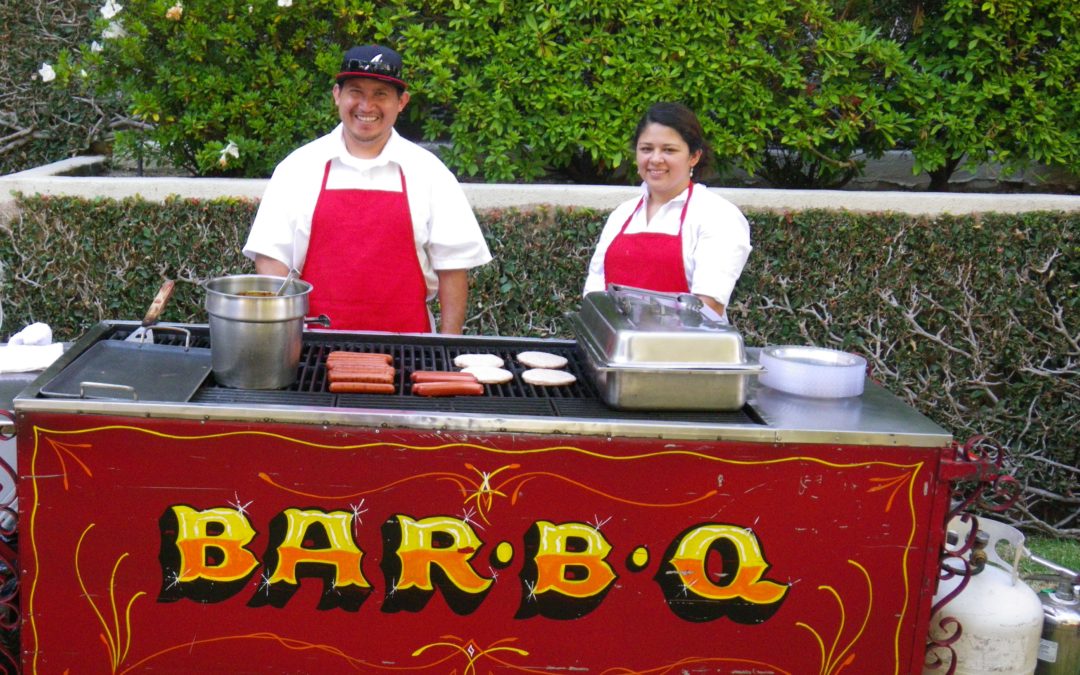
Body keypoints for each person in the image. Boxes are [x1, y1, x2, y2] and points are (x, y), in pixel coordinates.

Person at [243, 45, 492, 334]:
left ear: (402, 102)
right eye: (356, 92)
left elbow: (453, 268)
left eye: (380, 95)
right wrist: (287, 339)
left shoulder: (430, 172)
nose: (366, 106)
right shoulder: (298, 168)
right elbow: (271, 260)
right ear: (337, 95)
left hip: (410, 347)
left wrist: (447, 351)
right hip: (312, 347)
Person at [583, 102, 751, 321]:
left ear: (694, 156)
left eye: (669, 150)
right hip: (619, 349)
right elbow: (595, 291)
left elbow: (708, 307)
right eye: (646, 149)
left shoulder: (718, 215)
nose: (655, 159)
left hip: (685, 351)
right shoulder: (622, 214)